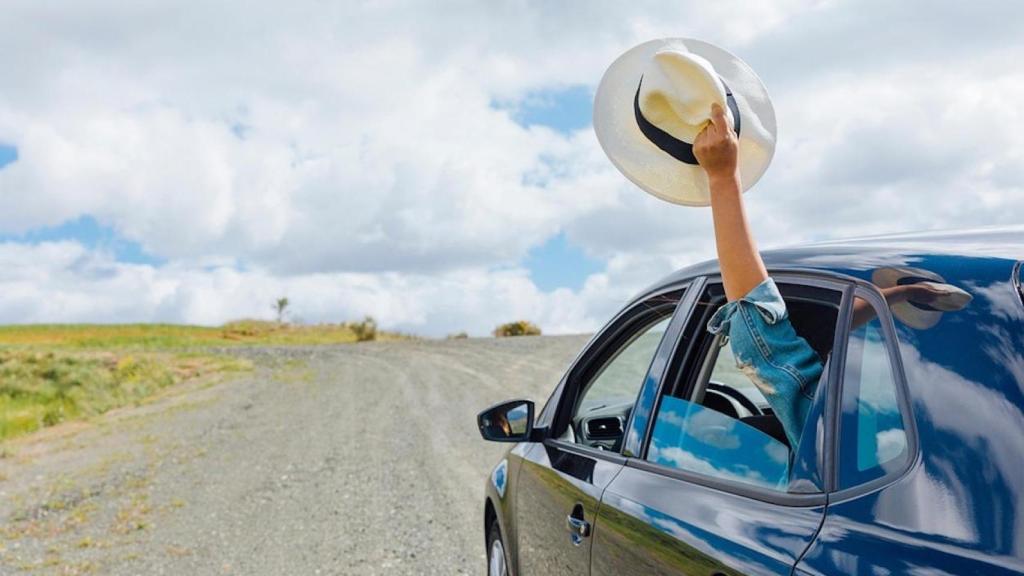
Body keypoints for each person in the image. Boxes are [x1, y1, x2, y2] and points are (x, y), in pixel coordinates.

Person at [692, 103, 943, 449]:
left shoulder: (838, 434)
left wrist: (722, 179)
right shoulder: (940, 420)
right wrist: (897, 294)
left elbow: (763, 343)